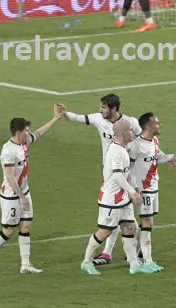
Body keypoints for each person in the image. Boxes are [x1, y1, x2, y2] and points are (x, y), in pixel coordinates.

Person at [0, 106, 64, 274]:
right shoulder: (8, 151)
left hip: (24, 192)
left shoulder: (24, 143)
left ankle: (25, 265)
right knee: (9, 231)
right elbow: (9, 177)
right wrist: (21, 197)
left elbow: (39, 133)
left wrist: (55, 119)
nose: (28, 133)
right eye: (26, 130)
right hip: (12, 195)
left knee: (25, 226)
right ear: (17, 132)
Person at [59, 94, 143, 266]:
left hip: (128, 169)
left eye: (104, 107)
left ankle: (127, 256)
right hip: (112, 173)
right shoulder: (99, 120)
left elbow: (145, 138)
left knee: (123, 217)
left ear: (114, 109)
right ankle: (120, 254)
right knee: (118, 214)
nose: (101, 110)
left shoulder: (129, 123)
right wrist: (64, 114)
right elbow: (77, 118)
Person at [80, 120, 154, 275]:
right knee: (105, 232)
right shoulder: (116, 151)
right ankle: (86, 262)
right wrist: (133, 193)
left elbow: (126, 173)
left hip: (123, 199)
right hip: (111, 200)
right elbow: (117, 177)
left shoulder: (123, 149)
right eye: (130, 131)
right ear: (122, 134)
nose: (133, 132)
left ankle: (134, 266)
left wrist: (134, 187)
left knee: (129, 228)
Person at [128, 112, 176, 272]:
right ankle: (147, 261)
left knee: (146, 222)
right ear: (147, 126)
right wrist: (135, 188)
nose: (160, 125)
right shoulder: (135, 146)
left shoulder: (154, 140)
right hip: (144, 189)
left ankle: (137, 252)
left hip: (154, 186)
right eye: (156, 123)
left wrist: (170, 157)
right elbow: (129, 168)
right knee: (148, 223)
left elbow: (155, 157)